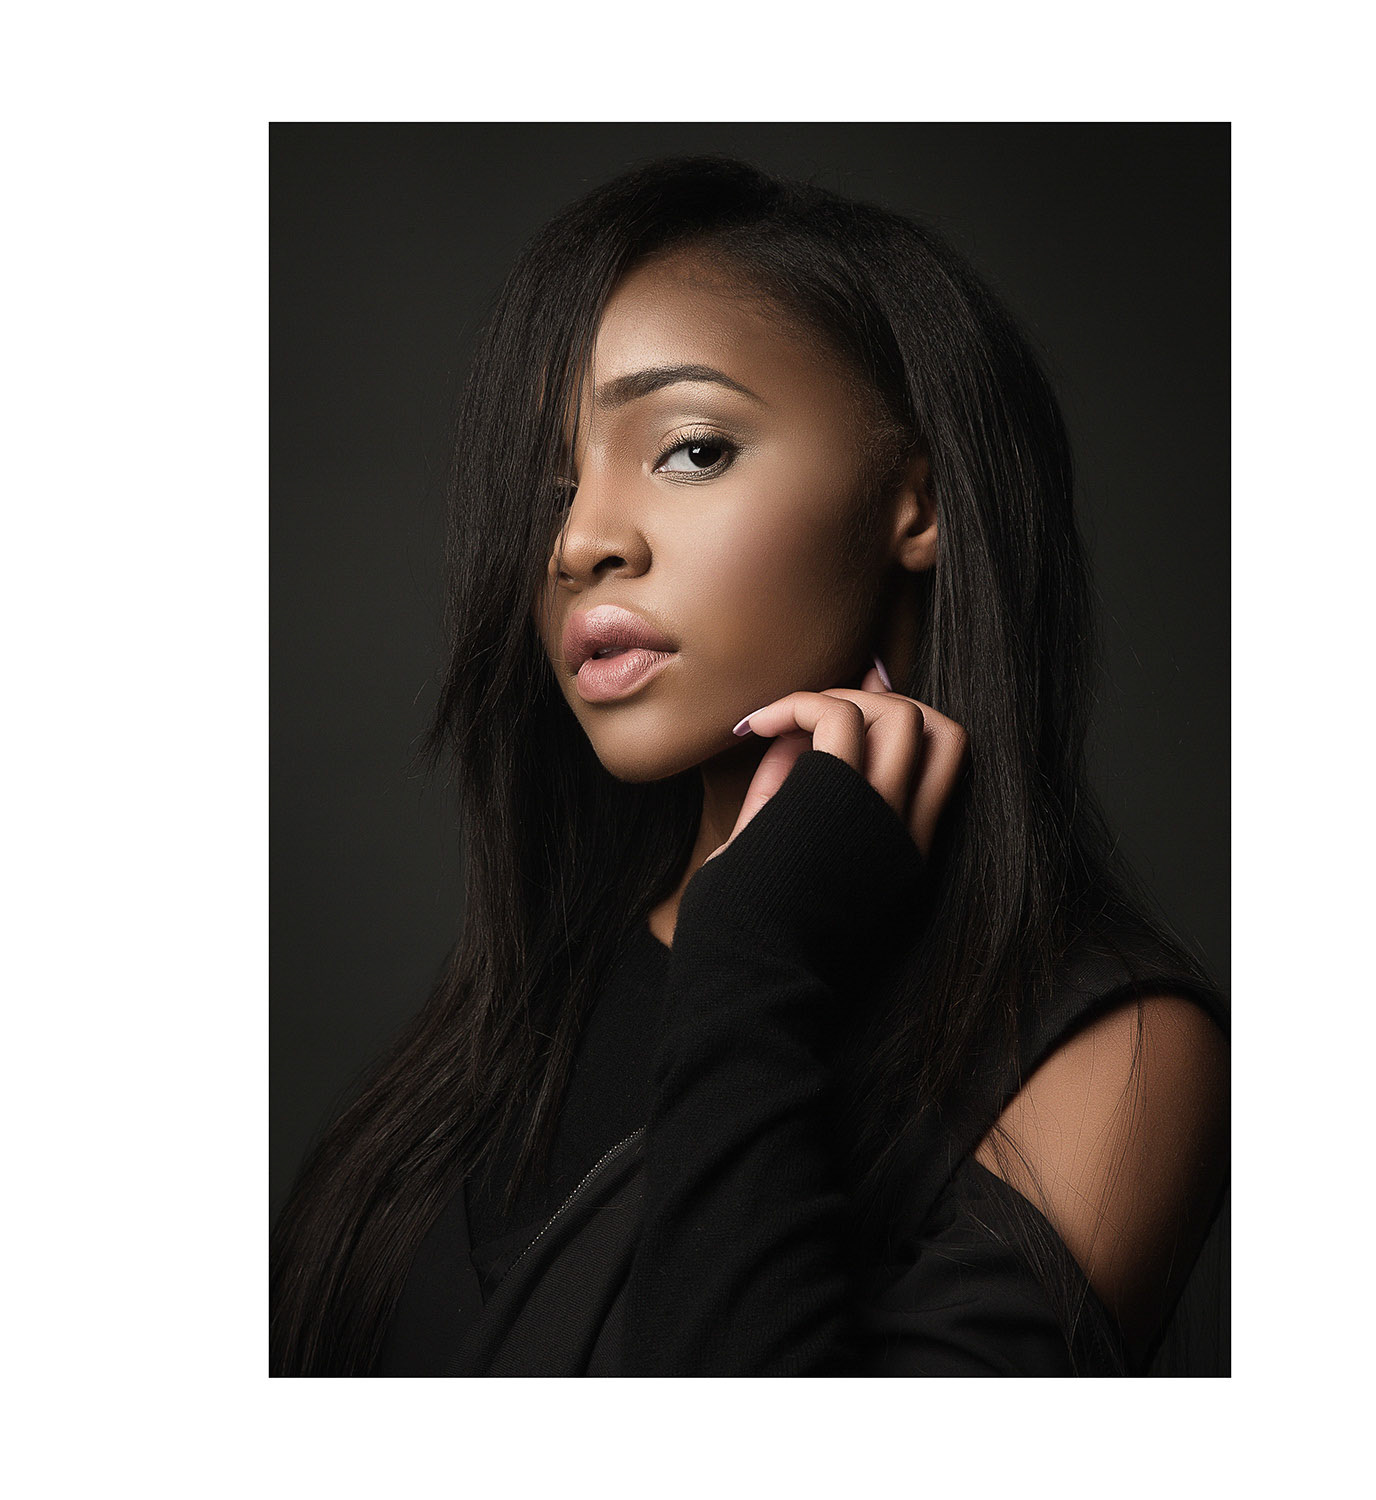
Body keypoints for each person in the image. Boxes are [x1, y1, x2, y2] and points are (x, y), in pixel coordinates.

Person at [270, 154, 1230, 1377]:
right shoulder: (516, 1006)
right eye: (550, 485)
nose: (577, 541)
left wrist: (750, 957)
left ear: (917, 503)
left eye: (692, 450)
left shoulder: (1114, 1052)